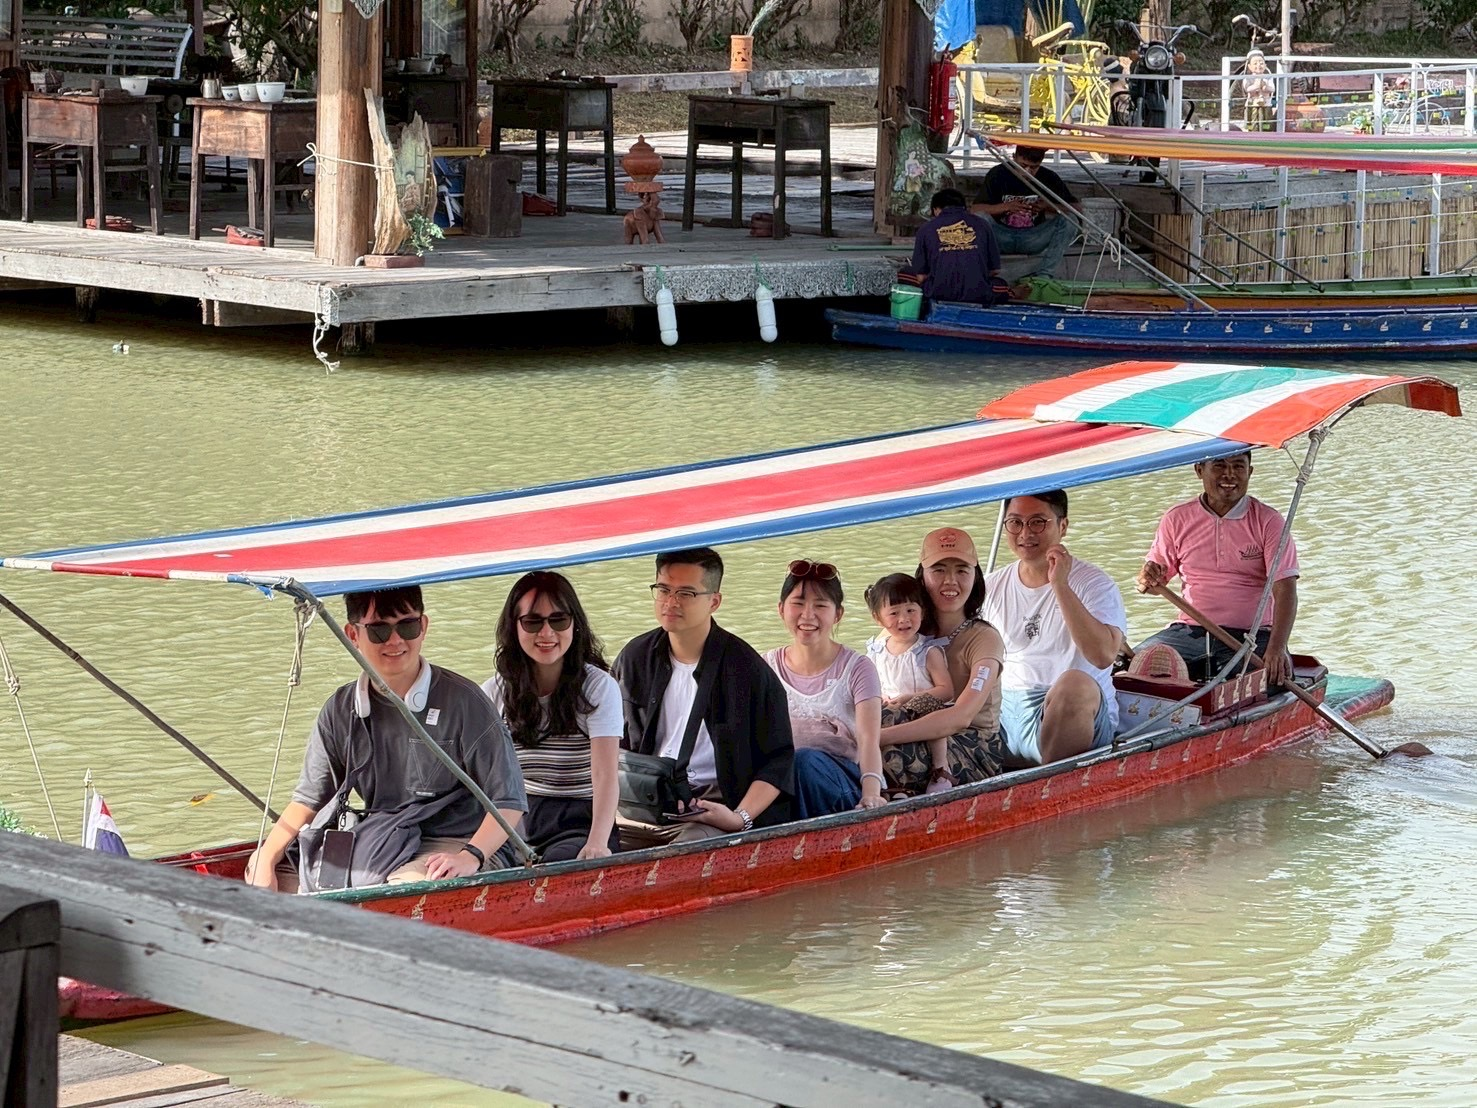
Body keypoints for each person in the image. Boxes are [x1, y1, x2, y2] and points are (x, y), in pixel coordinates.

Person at [245, 586, 527, 893]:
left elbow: (509, 803)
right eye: (379, 630)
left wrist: (470, 856)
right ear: (353, 635)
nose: (395, 641)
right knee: (280, 882)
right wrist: (265, 856)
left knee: (405, 889)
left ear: (424, 627)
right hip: (383, 838)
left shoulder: (466, 701)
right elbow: (309, 798)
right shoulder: (340, 710)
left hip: (461, 840)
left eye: (407, 626)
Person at [613, 547, 794, 844]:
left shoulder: (747, 669)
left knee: (685, 854)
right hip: (641, 804)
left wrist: (739, 818)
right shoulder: (634, 658)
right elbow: (608, 742)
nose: (671, 602)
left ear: (714, 601)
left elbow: (779, 759)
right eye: (663, 590)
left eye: (686, 593)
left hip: (712, 809)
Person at [482, 572, 621, 863]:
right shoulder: (495, 690)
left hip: (580, 819)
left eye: (558, 620)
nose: (546, 634)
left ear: (575, 624)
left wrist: (597, 843)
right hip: (517, 817)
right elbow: (481, 776)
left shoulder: (597, 687)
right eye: (533, 622)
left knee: (557, 867)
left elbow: (605, 776)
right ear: (514, 627)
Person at [981, 492, 1127, 766]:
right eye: (1015, 523)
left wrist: (1060, 584)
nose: (1025, 533)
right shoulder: (991, 586)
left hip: (1068, 714)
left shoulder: (1095, 584)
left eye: (1038, 522)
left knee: (1075, 684)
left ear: (1062, 526)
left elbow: (1103, 655)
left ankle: (1051, 785)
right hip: (1005, 712)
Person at [1135, 452, 1300, 687]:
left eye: (1238, 467)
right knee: (1131, 665)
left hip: (1252, 635)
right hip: (1189, 631)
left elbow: (1285, 590)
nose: (1229, 475)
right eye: (1220, 466)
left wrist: (1277, 647)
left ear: (1250, 472)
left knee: (1266, 680)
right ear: (1199, 470)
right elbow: (1153, 583)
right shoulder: (1176, 518)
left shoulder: (1268, 521)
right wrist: (1148, 577)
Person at [877, 528, 1008, 795]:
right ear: (922, 577)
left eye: (961, 570)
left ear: (975, 577)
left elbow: (961, 717)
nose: (950, 581)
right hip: (906, 724)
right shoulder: (902, 628)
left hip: (973, 747)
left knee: (889, 738)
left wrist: (875, 738)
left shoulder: (984, 639)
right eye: (938, 570)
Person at [763, 560, 886, 817]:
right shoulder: (765, 666)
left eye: (820, 605)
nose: (808, 615)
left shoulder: (858, 668)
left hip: (841, 781)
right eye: (798, 603)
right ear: (781, 609)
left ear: (837, 614)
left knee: (804, 763)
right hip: (778, 782)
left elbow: (868, 741)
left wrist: (871, 795)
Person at [972, 144, 1080, 278]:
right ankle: (982, 272)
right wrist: (1006, 207)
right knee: (979, 219)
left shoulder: (1049, 177)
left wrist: (1048, 206)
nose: (1028, 172)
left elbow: (1076, 209)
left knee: (1070, 221)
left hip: (1034, 237)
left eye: (1034, 168)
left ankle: (1044, 276)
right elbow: (975, 210)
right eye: (1022, 166)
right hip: (1000, 236)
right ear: (1013, 158)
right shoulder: (998, 174)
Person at [903, 187, 1006, 306]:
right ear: (964, 207)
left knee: (904, 274)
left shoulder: (926, 229)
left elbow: (920, 277)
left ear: (936, 209)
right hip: (978, 294)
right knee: (1001, 285)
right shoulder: (983, 224)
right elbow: (995, 270)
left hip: (938, 293)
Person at [1242, 50, 1275, 132]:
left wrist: (1265, 87)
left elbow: (1272, 89)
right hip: (1252, 103)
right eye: (1255, 63)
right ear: (1249, 66)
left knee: (1267, 123)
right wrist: (1255, 86)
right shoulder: (1248, 78)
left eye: (1261, 63)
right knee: (1252, 123)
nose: (1258, 65)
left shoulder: (1268, 77)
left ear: (1265, 65)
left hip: (1266, 103)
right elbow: (1247, 89)